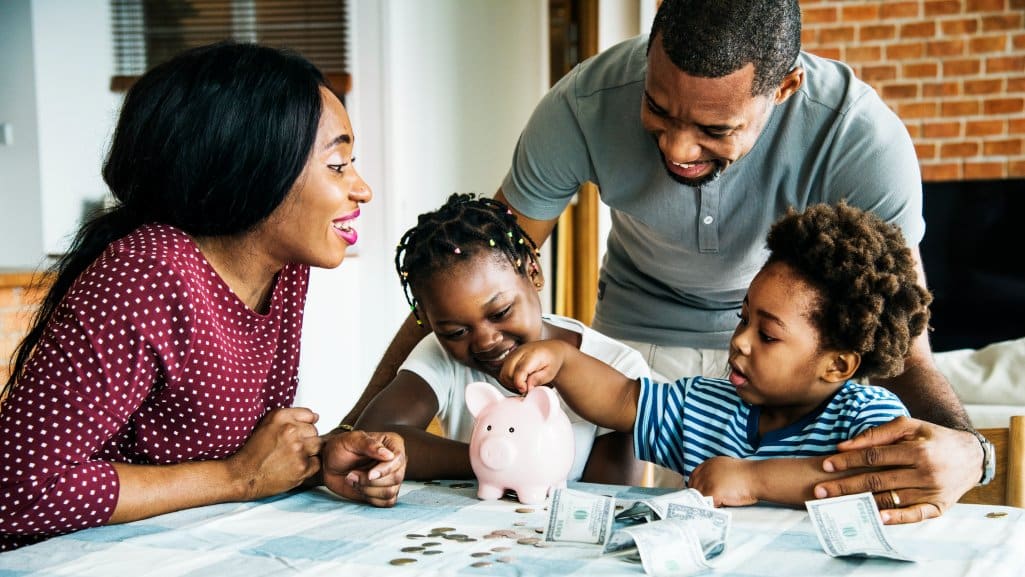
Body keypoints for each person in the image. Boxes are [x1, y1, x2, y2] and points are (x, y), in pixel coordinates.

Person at [342, 0, 988, 524]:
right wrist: (348, 433)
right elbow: (475, 266)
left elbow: (906, 346)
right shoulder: (581, 105)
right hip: (638, 341)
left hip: (791, 346)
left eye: (715, 128)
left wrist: (970, 451)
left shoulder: (857, 137)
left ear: (785, 87)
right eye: (657, 108)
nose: (678, 147)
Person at [0, 42, 406, 551]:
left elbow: (236, 454)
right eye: (338, 164)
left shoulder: (283, 270)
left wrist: (317, 459)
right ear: (256, 166)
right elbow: (16, 490)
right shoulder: (147, 274)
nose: (362, 189)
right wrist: (239, 478)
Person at [500, 202, 927, 513]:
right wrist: (563, 361)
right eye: (743, 321)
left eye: (768, 335)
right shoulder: (706, 406)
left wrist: (752, 479)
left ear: (837, 365)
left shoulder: (869, 418)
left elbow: (871, 482)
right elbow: (623, 400)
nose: (740, 342)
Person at [349, 193, 649, 484]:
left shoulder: (618, 367)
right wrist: (489, 459)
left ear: (533, 272)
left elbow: (609, 495)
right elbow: (371, 438)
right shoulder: (440, 353)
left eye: (500, 312)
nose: (485, 341)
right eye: (456, 332)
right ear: (429, 323)